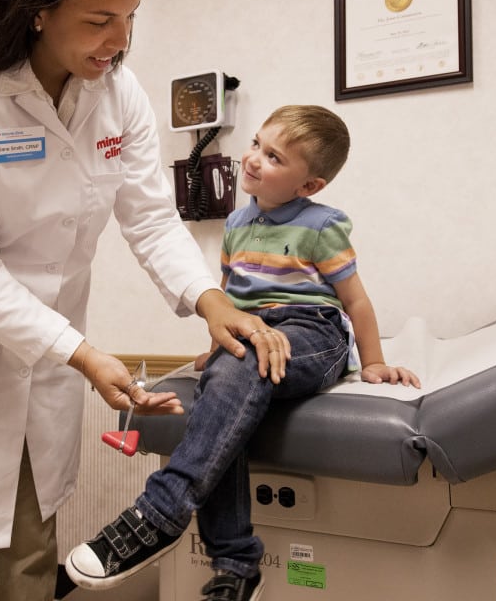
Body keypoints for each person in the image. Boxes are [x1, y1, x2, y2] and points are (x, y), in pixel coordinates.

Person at [0, 0, 290, 600]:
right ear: (37, 8)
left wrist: (211, 302)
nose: (120, 40)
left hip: (49, 364)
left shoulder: (118, 95)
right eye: (101, 18)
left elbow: (152, 219)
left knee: (30, 562)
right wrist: (84, 354)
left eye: (129, 17)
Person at [66, 105, 420, 601]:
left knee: (245, 360)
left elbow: (354, 300)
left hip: (312, 334)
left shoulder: (321, 226)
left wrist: (375, 361)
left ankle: (164, 509)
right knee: (224, 389)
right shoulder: (235, 222)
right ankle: (235, 568)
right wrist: (215, 348)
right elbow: (228, 301)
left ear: (309, 186)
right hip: (249, 334)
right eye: (256, 143)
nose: (253, 159)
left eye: (273, 157)